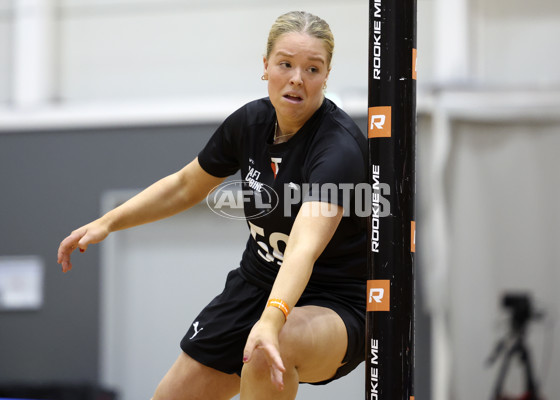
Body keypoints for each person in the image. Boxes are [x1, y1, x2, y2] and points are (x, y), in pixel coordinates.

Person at [57, 11, 367, 400]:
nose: (296, 79)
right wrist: (108, 222)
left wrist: (271, 320)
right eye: (285, 64)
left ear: (326, 75)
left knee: (268, 350)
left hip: (334, 301)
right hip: (256, 283)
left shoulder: (338, 149)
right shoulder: (249, 123)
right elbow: (185, 185)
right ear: (266, 66)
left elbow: (303, 249)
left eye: (312, 69)